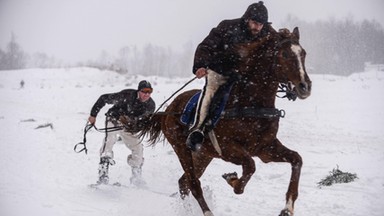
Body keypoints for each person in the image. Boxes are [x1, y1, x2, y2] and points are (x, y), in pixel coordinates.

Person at [186, 1, 272, 151]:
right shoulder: (227, 27)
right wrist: (200, 65)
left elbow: (280, 43)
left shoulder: (265, 32)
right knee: (210, 92)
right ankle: (198, 129)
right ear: (247, 19)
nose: (257, 27)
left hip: (244, 76)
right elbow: (205, 46)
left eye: (260, 24)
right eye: (254, 23)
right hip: (219, 72)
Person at [88, 80, 156, 186]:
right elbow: (103, 98)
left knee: (138, 147)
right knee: (109, 140)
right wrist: (93, 115)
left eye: (149, 92)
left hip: (129, 126)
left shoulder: (150, 105)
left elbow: (143, 122)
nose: (147, 94)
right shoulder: (126, 95)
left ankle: (136, 175)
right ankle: (103, 174)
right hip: (114, 119)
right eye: (144, 91)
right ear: (139, 91)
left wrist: (134, 124)